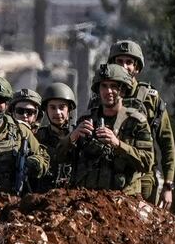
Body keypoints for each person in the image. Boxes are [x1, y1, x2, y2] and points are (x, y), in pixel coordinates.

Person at [59, 64, 154, 196]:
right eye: (104, 86)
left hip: (123, 200)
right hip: (86, 198)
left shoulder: (136, 122)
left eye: (113, 86)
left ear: (123, 90)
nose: (108, 91)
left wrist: (118, 144)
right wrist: (72, 137)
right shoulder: (86, 119)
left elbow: (147, 162)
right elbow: (58, 157)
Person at [107, 40, 175, 208]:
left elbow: (167, 143)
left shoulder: (150, 99)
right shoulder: (101, 97)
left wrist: (168, 185)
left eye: (129, 62)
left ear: (137, 67)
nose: (124, 66)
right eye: (119, 61)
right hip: (107, 179)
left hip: (142, 178)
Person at [32, 82, 77, 192]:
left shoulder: (78, 136)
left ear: (69, 110)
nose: (57, 112)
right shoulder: (38, 137)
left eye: (62, 107)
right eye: (52, 107)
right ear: (46, 110)